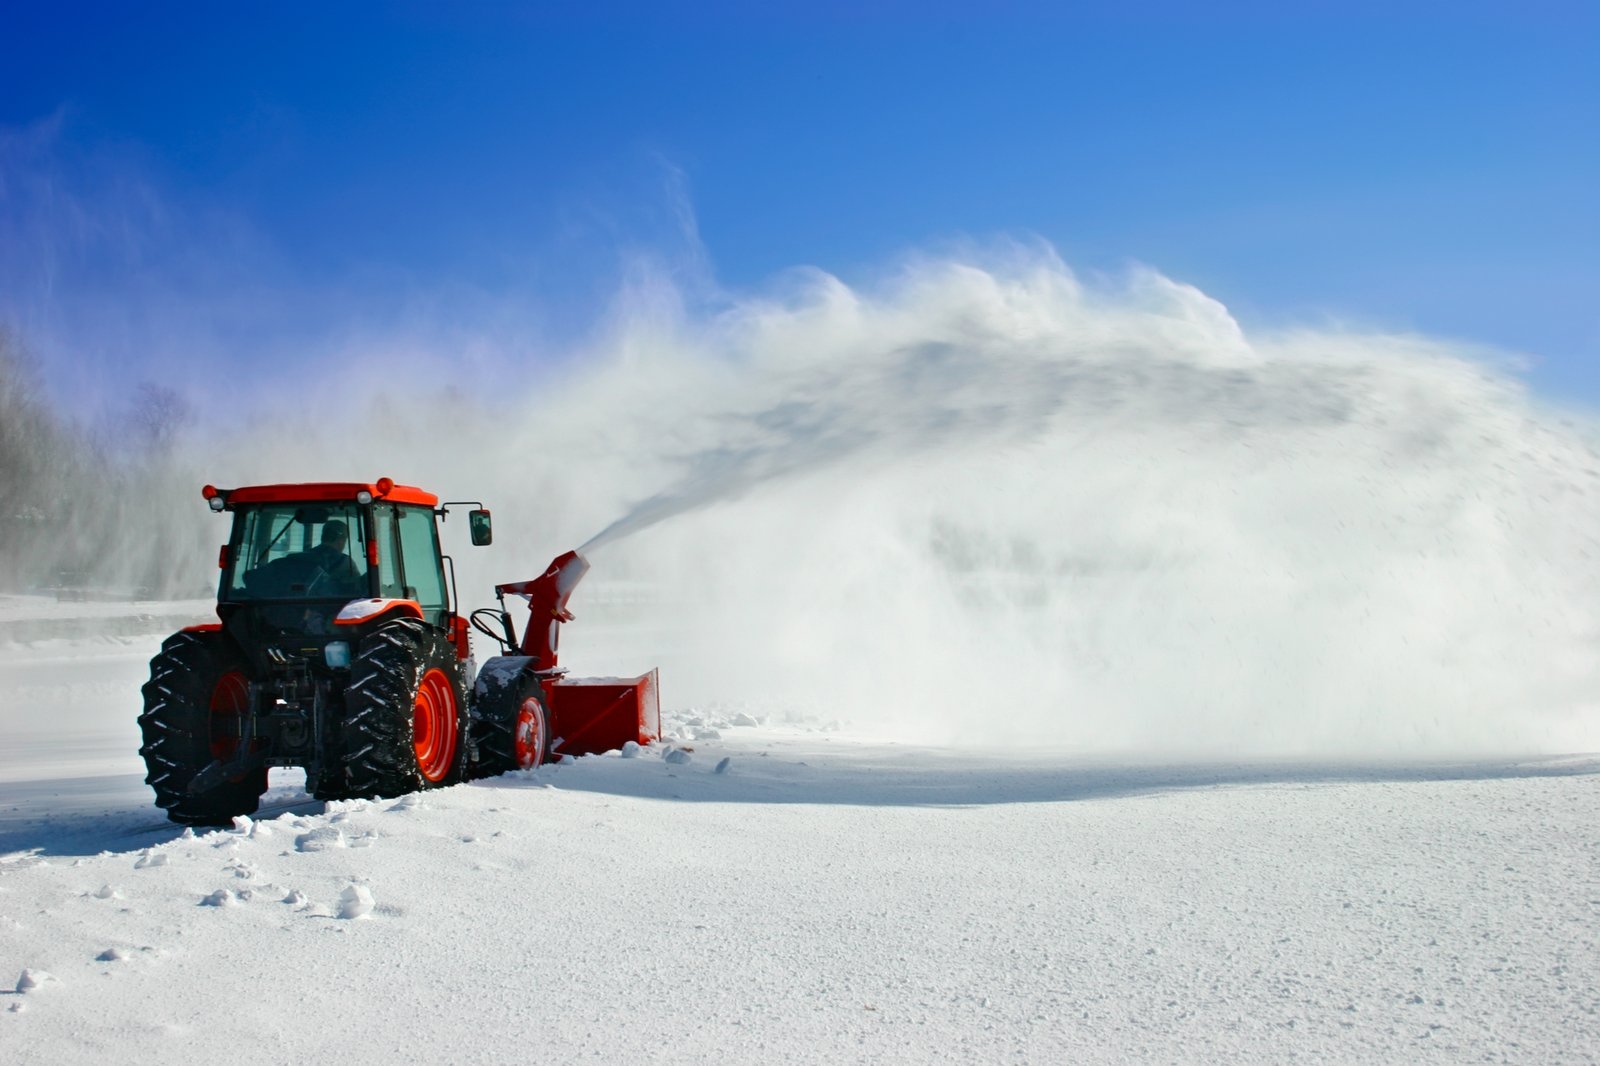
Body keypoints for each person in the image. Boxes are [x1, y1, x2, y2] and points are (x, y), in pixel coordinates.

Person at [302, 519, 361, 594]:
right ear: (340, 539)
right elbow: (358, 589)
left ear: (323, 536)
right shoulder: (346, 562)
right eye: (345, 539)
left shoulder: (301, 558)